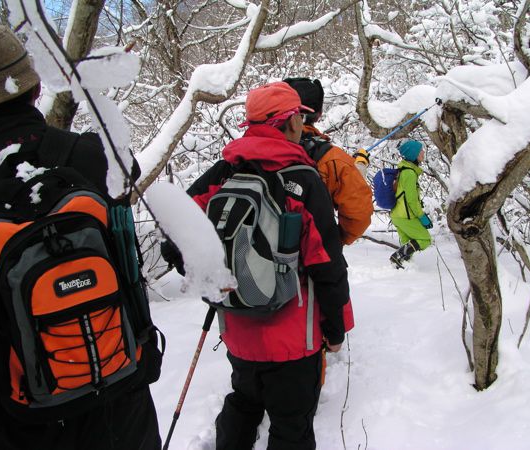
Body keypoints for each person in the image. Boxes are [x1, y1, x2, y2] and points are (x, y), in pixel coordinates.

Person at [0, 24, 161, 450]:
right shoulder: (89, 155)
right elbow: (129, 174)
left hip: (21, 416)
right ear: (33, 91)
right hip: (119, 391)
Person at [166, 81, 351, 450]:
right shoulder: (303, 178)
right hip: (294, 336)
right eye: (298, 116)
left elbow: (174, 234)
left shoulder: (224, 172)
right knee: (292, 423)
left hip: (238, 328)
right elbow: (327, 263)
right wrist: (336, 328)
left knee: (244, 403)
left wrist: (213, 277)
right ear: (290, 122)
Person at [283, 77, 373, 245]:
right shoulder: (332, 159)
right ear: (318, 115)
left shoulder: (251, 149)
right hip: (312, 257)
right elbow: (359, 213)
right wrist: (335, 239)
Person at [388, 140, 433, 268]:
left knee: (407, 244)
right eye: (421, 151)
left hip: (397, 215)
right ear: (414, 155)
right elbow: (411, 200)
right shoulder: (409, 173)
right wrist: (421, 216)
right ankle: (396, 258)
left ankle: (401, 268)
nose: (423, 152)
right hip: (405, 216)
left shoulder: (403, 170)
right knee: (425, 239)